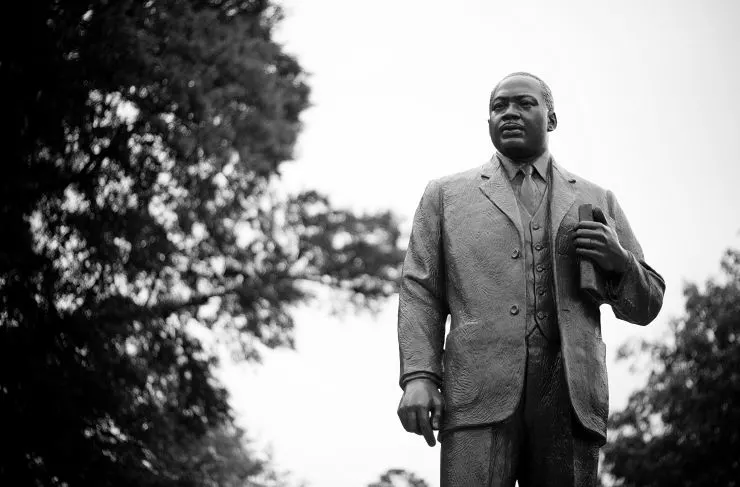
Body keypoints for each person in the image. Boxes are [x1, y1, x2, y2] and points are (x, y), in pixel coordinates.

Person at [396, 72, 665, 486]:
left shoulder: (596, 199)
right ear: (487, 122)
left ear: (552, 119)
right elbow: (420, 291)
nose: (509, 113)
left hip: (570, 397)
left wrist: (619, 261)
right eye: (498, 106)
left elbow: (648, 304)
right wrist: (419, 377)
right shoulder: (446, 196)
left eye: (524, 103)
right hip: (476, 393)